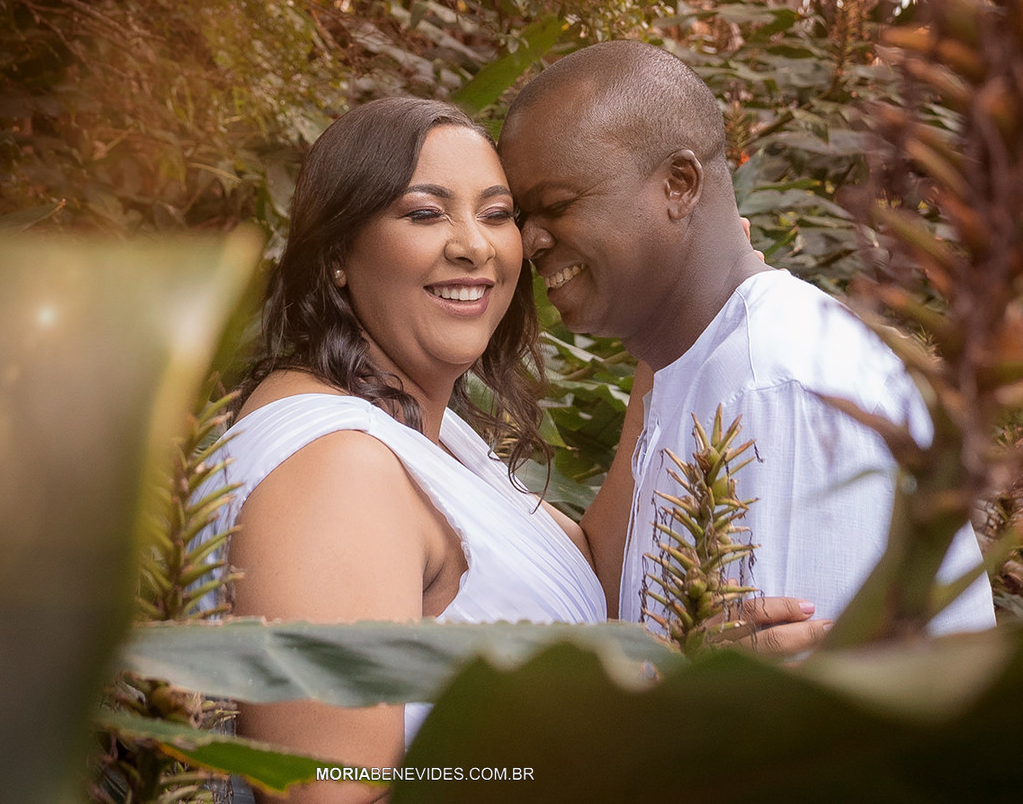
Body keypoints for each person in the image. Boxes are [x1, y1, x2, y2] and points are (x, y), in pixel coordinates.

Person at [222, 94, 820, 803]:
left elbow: (584, 575)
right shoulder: (335, 467)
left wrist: (666, 325)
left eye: (497, 212)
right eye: (424, 211)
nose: (474, 243)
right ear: (336, 258)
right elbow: (333, 794)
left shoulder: (417, 430)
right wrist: (656, 720)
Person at [496, 39, 996, 637]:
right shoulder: (701, 358)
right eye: (521, 217)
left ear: (679, 184)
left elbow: (791, 704)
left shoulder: (769, 386)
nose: (529, 242)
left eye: (555, 206)